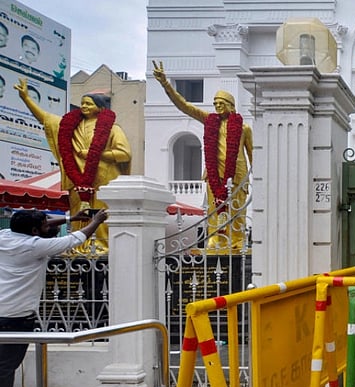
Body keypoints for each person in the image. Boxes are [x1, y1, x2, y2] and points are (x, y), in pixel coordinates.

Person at [0, 209, 108, 387]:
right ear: (33, 230)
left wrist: (72, 218)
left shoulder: (5, 236)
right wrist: (96, 221)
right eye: (46, 225)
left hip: (4, 311)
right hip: (16, 316)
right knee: (6, 366)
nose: (50, 227)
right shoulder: (34, 246)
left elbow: (43, 225)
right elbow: (78, 238)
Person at [15, 78, 131, 253]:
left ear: (100, 107)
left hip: (104, 179)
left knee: (103, 214)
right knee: (79, 215)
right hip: (76, 179)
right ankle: (78, 247)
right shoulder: (71, 127)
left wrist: (97, 154)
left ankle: (103, 247)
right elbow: (45, 119)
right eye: (82, 103)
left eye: (88, 103)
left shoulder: (113, 129)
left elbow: (125, 154)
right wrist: (26, 98)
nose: (83, 106)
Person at [152, 60, 252, 250]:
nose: (217, 106)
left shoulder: (244, 128)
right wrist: (166, 84)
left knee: (237, 208)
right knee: (214, 208)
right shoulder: (209, 121)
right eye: (215, 103)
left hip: (237, 173)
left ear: (231, 106)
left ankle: (238, 241)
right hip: (214, 173)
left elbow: (253, 154)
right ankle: (215, 240)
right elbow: (185, 106)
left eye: (221, 103)